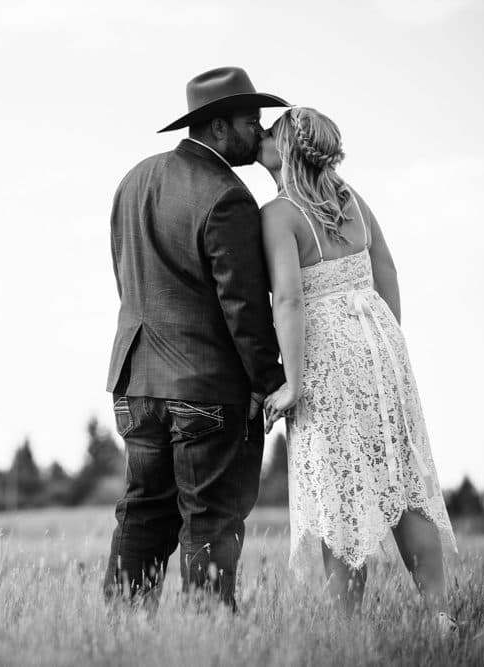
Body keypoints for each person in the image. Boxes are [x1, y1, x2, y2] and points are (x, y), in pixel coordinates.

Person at [257, 107, 458, 624]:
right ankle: (442, 619)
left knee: (340, 493)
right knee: (401, 480)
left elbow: (290, 302)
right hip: (380, 344)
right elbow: (385, 268)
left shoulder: (279, 213)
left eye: (271, 133)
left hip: (327, 357)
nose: (261, 135)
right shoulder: (350, 198)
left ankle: (347, 636)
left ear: (287, 151)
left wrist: (293, 384)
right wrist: (388, 342)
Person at [103, 67, 287, 609]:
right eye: (251, 121)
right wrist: (271, 383)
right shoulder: (227, 196)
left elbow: (127, 278)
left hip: (134, 385)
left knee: (141, 513)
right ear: (219, 128)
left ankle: (119, 636)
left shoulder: (134, 179)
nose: (260, 131)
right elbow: (245, 310)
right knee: (211, 520)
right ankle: (207, 641)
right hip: (205, 390)